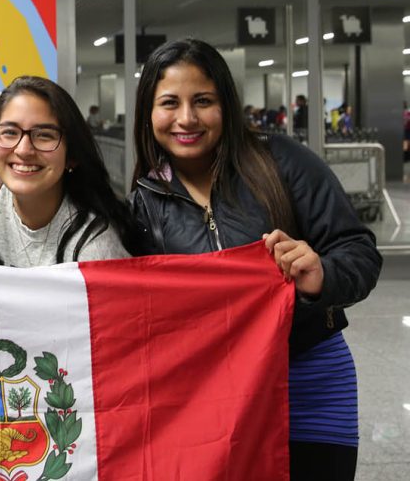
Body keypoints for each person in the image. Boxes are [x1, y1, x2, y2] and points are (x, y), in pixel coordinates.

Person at [129, 38, 382, 481]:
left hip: (310, 380)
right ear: (148, 114)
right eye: (169, 103)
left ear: (225, 104)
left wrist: (321, 276)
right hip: (213, 393)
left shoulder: (281, 162)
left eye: (203, 101)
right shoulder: (144, 203)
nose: (186, 118)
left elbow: (359, 252)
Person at [0, 77, 136, 265]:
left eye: (44, 136)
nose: (23, 150)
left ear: (71, 156)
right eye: (10, 132)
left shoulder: (96, 250)